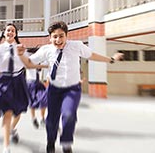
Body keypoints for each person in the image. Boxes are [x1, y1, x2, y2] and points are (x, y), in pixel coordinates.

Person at [17, 21, 124, 153]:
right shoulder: (46, 50)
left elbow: (92, 55)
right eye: (54, 36)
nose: (58, 39)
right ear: (50, 38)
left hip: (72, 89)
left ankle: (66, 143)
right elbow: (28, 64)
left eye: (61, 36)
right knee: (52, 119)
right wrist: (21, 55)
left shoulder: (76, 46)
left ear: (66, 36)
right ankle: (51, 141)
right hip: (54, 90)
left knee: (68, 115)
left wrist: (111, 59)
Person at [0, 23, 45, 153]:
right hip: (4, 81)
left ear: (16, 34)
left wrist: (47, 66)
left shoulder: (21, 49)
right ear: (4, 33)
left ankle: (12, 128)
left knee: (19, 110)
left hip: (18, 80)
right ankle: (6, 147)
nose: (10, 32)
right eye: (8, 30)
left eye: (13, 31)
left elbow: (29, 64)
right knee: (8, 112)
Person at [25, 48, 48, 129]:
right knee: (32, 102)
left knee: (45, 99)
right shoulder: (28, 62)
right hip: (30, 83)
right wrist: (45, 65)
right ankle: (33, 118)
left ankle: (42, 119)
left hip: (38, 83)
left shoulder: (40, 62)